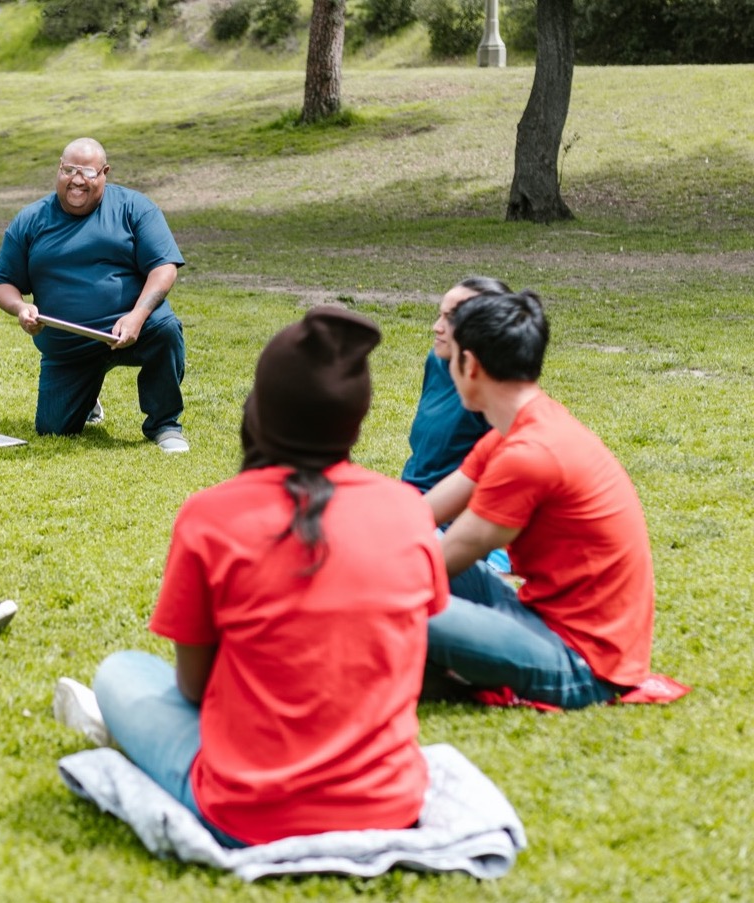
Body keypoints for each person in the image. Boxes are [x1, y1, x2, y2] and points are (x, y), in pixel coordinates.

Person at [54, 307, 448, 846]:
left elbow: (192, 686)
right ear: (357, 419)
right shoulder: (408, 510)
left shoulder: (213, 516)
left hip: (248, 810)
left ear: (260, 410)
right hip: (388, 802)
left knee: (122, 673)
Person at [423, 291, 656, 709]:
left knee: (392, 604)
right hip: (537, 618)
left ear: (470, 364)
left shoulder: (529, 453)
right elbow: (421, 516)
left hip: (582, 664)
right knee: (396, 566)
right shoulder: (518, 428)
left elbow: (440, 561)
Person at [0, 138, 190, 452]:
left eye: (88, 172)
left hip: (132, 329)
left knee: (165, 329)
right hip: (69, 345)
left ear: (105, 172)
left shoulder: (134, 208)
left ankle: (164, 425)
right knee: (54, 430)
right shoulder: (30, 219)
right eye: (69, 170)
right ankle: (87, 396)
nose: (77, 179)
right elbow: (1, 282)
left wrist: (136, 316)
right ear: (59, 168)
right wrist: (20, 308)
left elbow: (164, 268)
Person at [401, 276, 512, 493]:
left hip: (448, 515)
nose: (436, 327)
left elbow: (496, 482)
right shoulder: (438, 361)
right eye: (439, 315)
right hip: (410, 498)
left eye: (450, 319)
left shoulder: (498, 388)